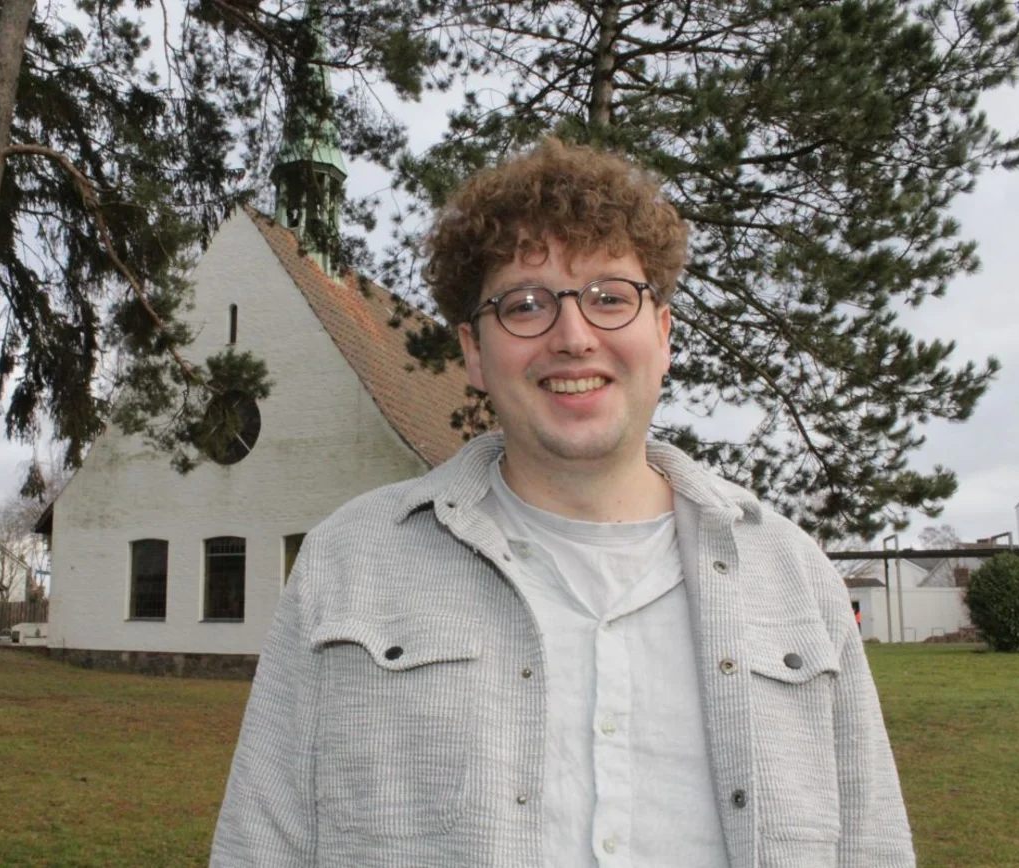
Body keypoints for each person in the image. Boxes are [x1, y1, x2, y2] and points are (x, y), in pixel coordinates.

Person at [210, 138, 914, 868]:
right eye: (525, 304)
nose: (573, 336)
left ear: (663, 334)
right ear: (475, 353)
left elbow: (875, 848)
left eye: (611, 297)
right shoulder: (345, 567)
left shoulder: (797, 580)